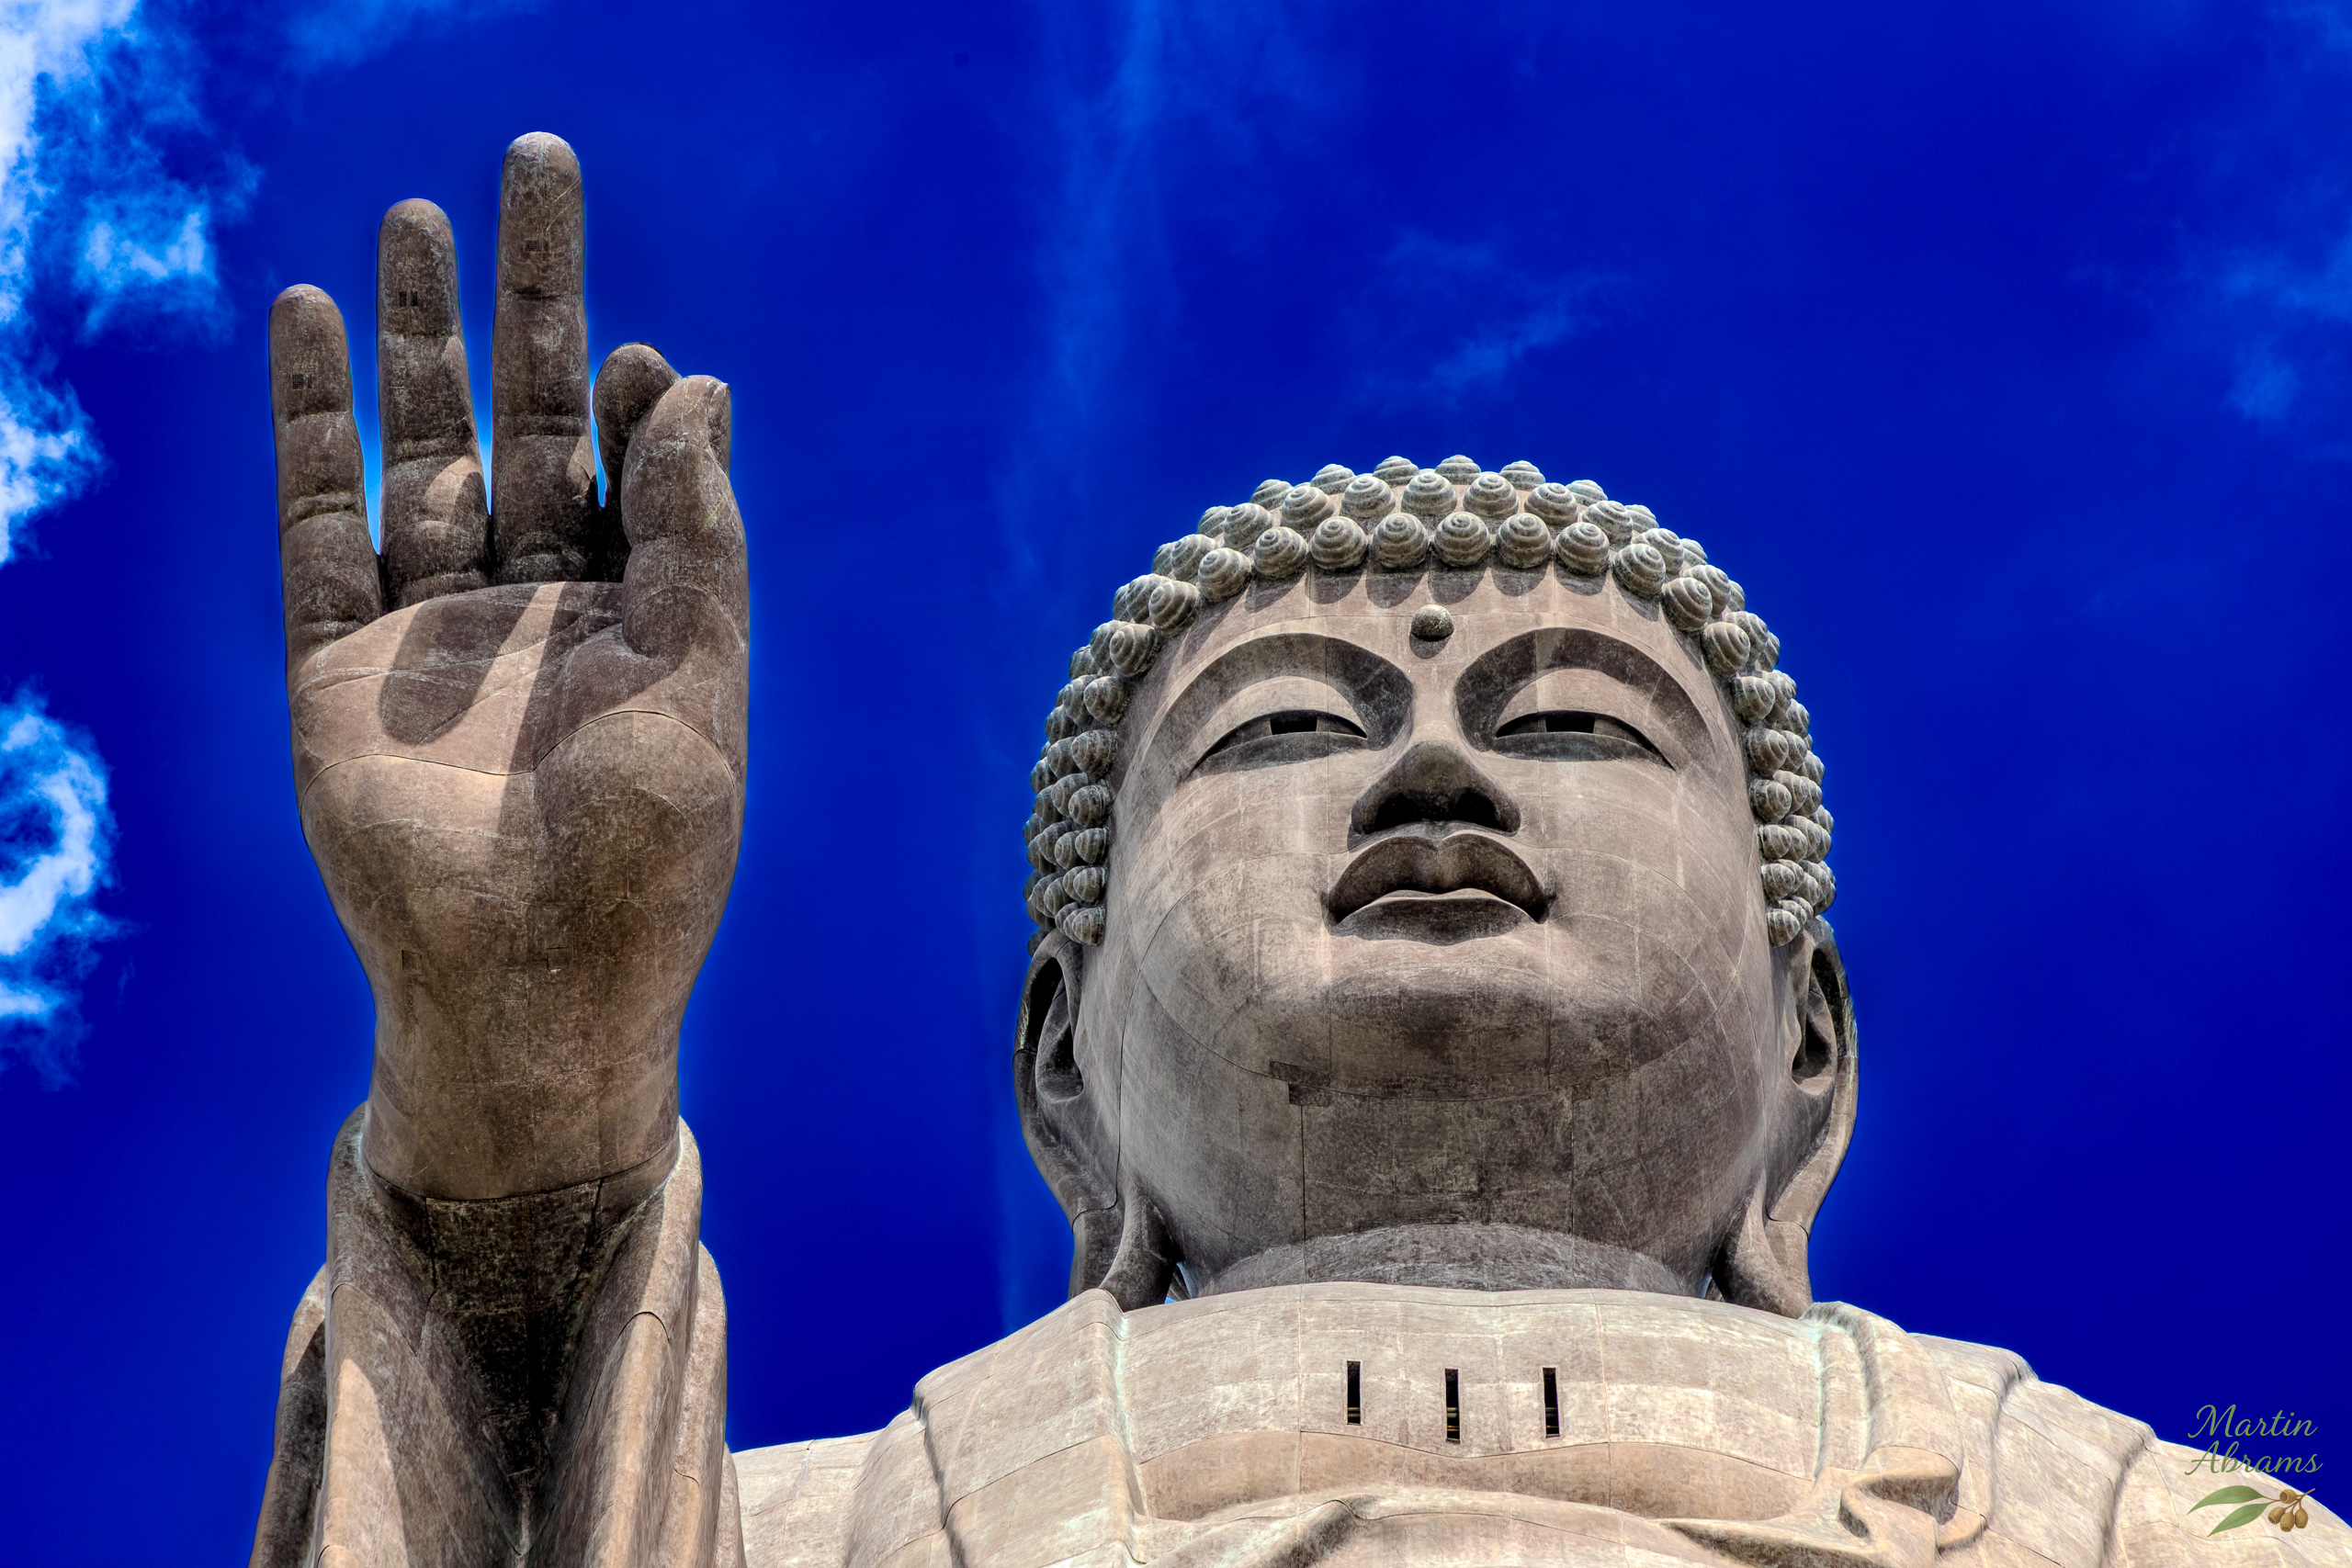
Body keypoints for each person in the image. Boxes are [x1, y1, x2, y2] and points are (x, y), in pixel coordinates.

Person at [251, 135, 2345, 1568]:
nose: (1433, 769)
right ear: (1061, 1064)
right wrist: (512, 1077)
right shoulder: (845, 1520)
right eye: (1279, 732)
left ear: (1809, 1043)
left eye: (1568, 718)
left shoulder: (2104, 1507)